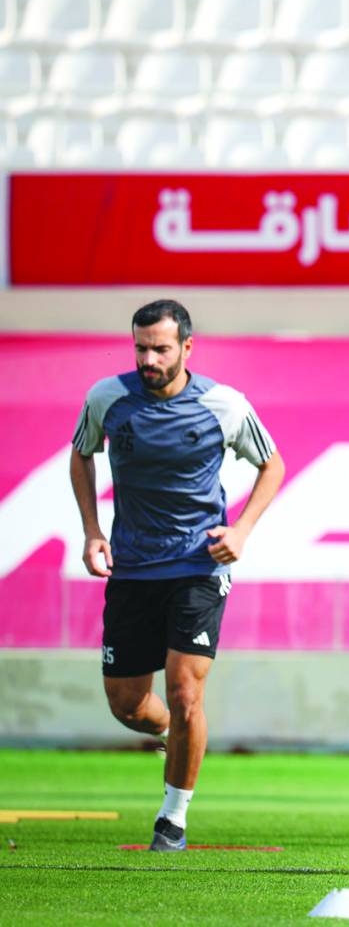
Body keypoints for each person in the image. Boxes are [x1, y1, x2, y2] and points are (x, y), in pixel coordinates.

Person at [69, 299, 285, 852]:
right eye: (140, 348)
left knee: (186, 689)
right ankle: (174, 733)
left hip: (198, 565)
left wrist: (241, 530)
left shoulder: (223, 405)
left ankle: (173, 819)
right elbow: (81, 454)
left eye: (161, 349)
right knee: (128, 705)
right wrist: (92, 530)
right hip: (132, 567)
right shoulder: (107, 398)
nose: (149, 359)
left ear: (187, 347)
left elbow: (272, 464)